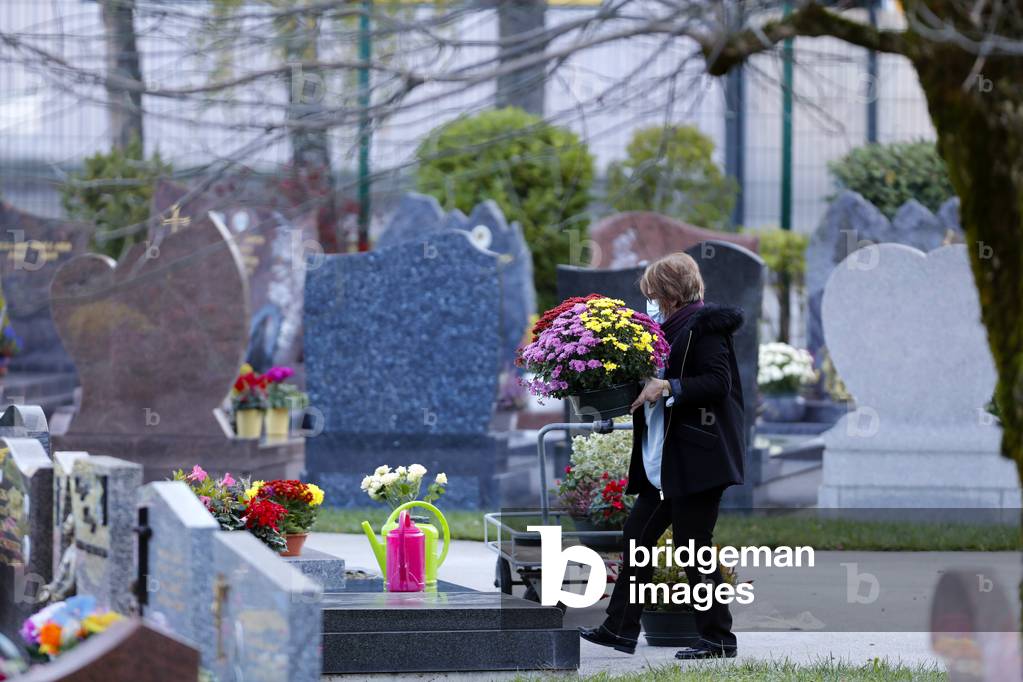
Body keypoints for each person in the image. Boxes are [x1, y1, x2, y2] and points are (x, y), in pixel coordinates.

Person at [578, 251, 745, 660]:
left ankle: (719, 638)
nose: (650, 298)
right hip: (667, 464)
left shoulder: (704, 328)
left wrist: (668, 387)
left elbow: (717, 383)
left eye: (654, 291)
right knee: (637, 538)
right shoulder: (666, 330)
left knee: (693, 547)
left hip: (697, 462)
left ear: (670, 291)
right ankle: (619, 629)